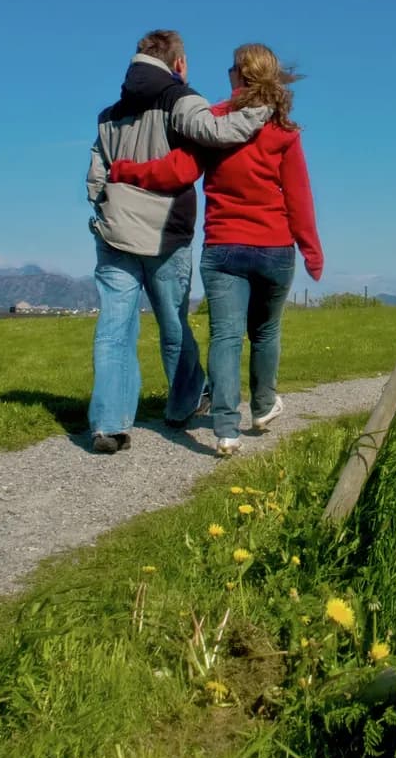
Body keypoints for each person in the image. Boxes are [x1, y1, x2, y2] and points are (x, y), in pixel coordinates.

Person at [109, 42, 323, 456]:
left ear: (239, 75)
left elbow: (177, 171)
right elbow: (299, 198)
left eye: (231, 68)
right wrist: (312, 251)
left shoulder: (215, 121)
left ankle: (226, 429)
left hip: (223, 247)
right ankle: (263, 406)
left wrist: (125, 171)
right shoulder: (284, 131)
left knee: (225, 336)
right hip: (275, 248)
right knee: (265, 332)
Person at [86, 29, 271, 454]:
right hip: (166, 231)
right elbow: (215, 132)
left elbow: (96, 175)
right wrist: (261, 111)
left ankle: (108, 424)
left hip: (115, 231)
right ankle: (184, 401)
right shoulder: (180, 98)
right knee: (172, 324)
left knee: (113, 328)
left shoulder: (109, 113)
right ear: (179, 63)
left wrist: (106, 206)